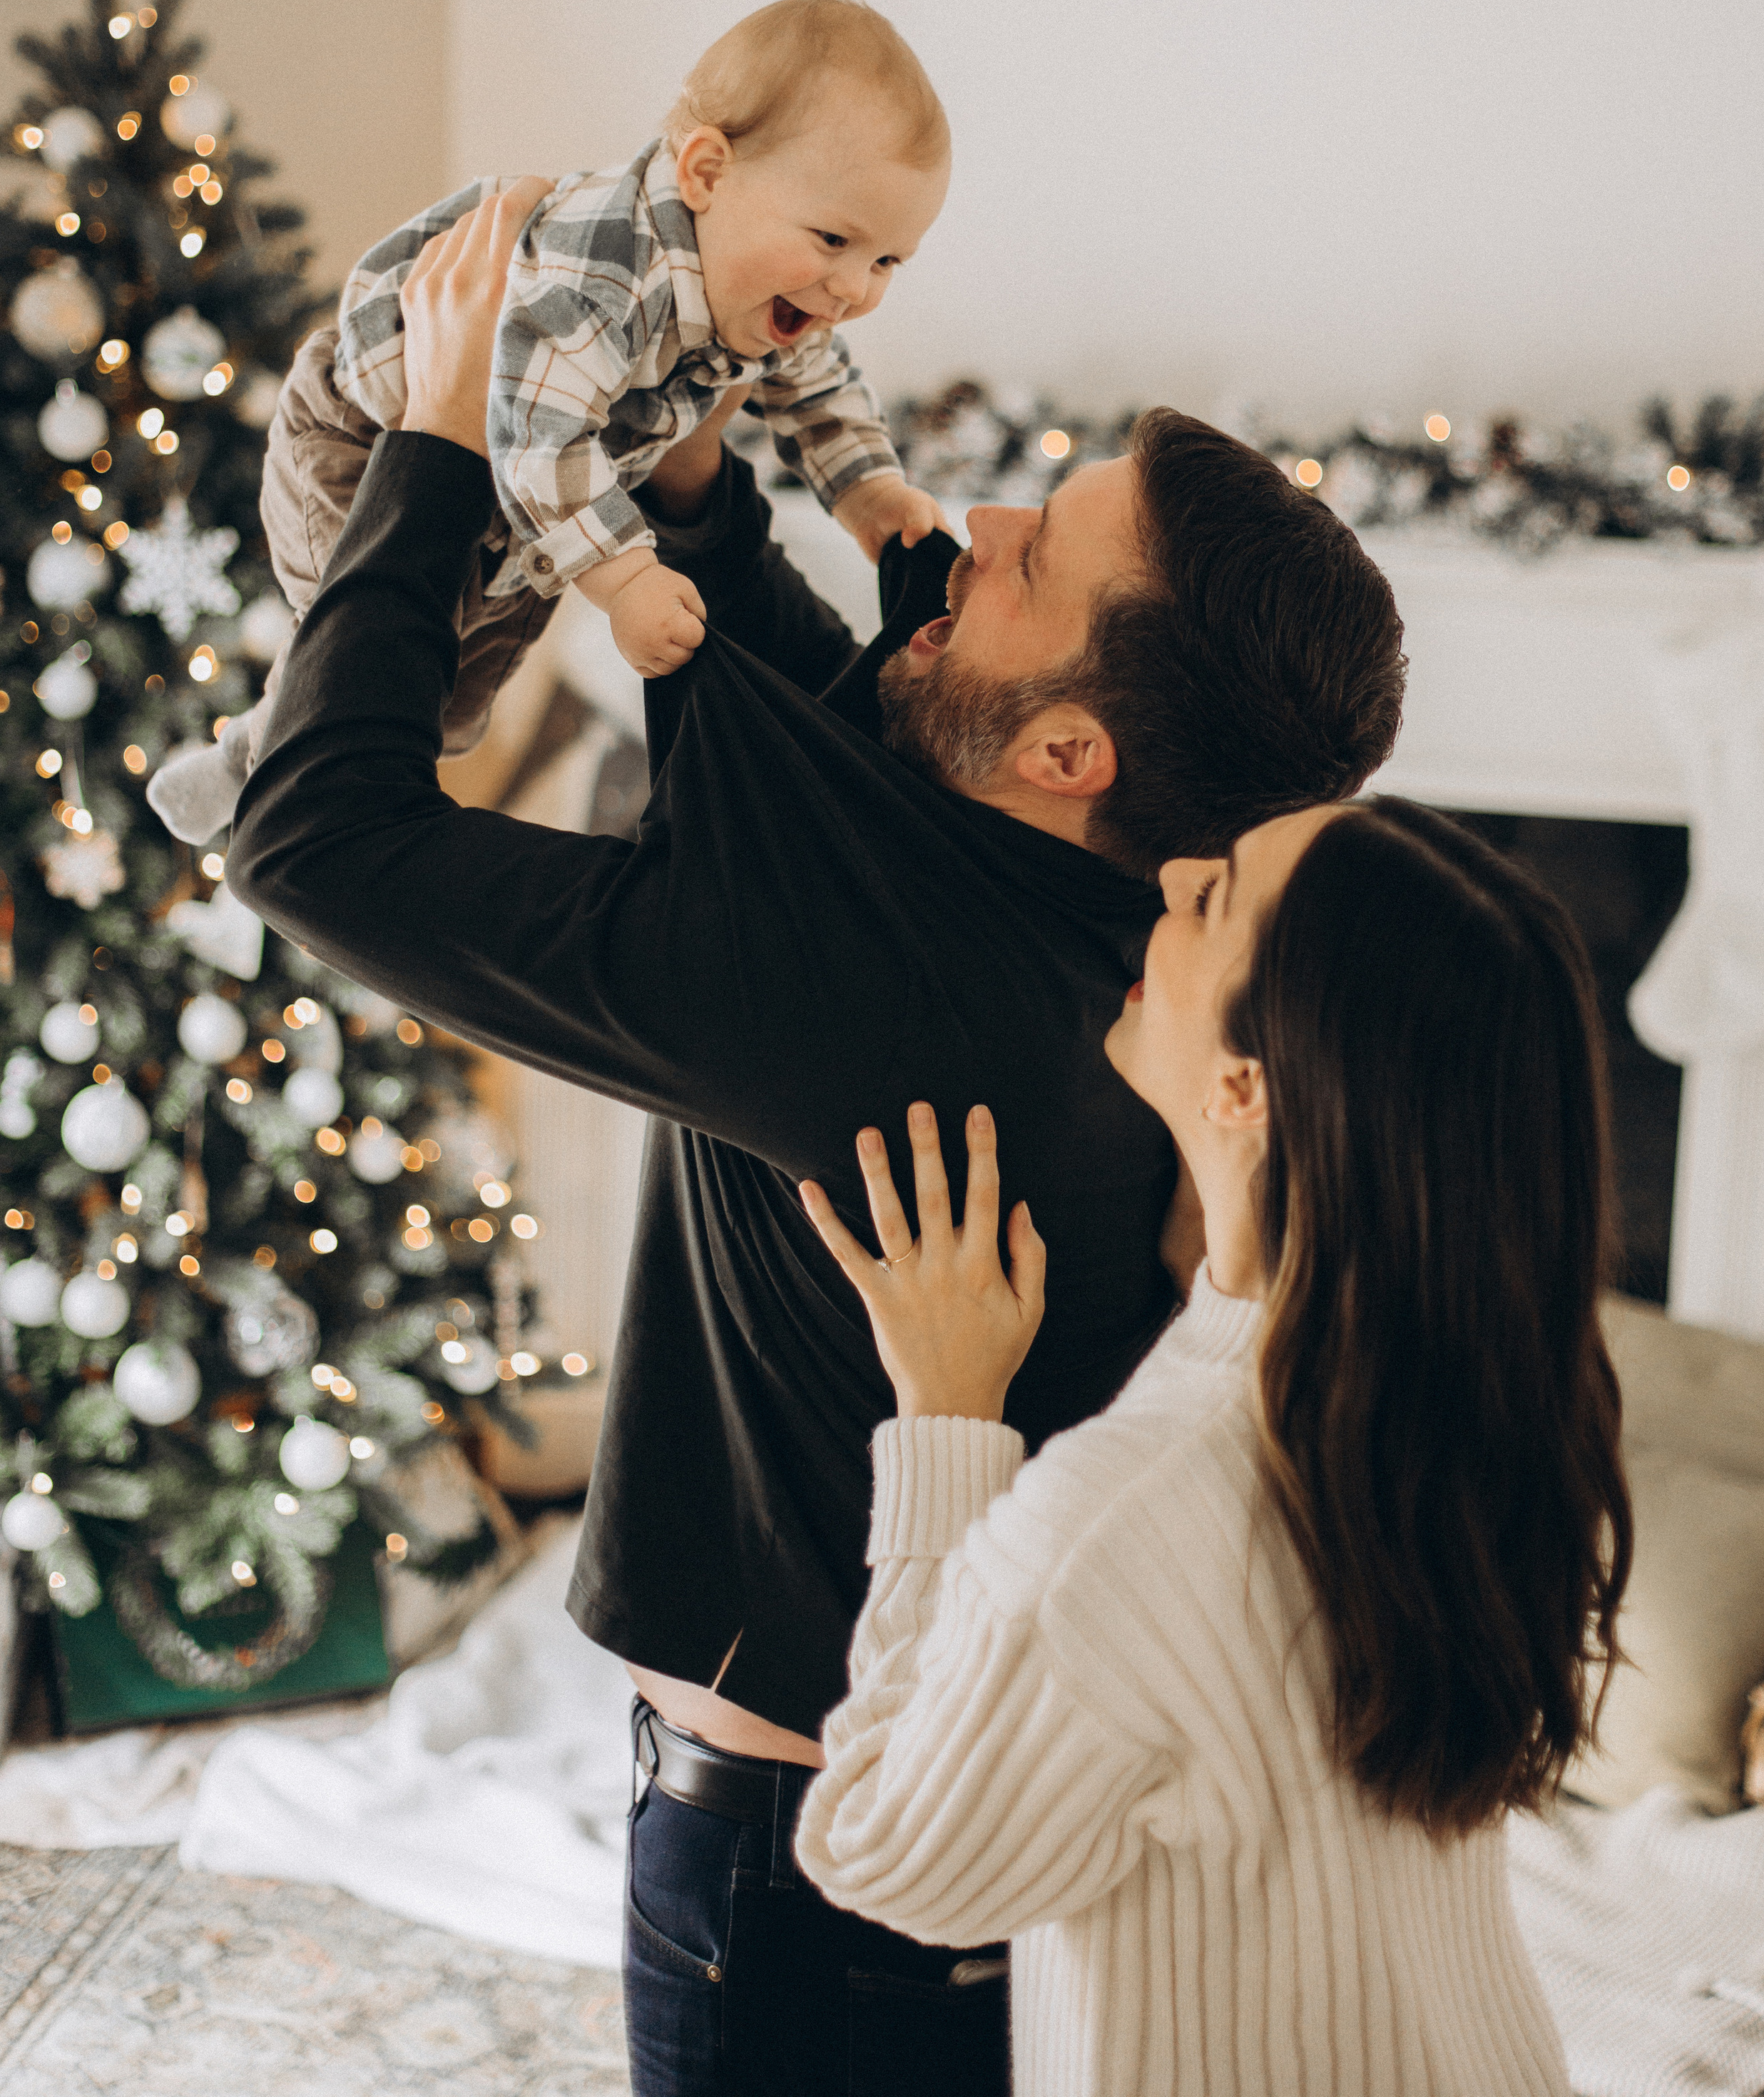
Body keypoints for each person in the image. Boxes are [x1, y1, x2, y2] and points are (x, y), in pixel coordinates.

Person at [226, 185, 1408, 2096]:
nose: (980, 525)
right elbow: (813, 720)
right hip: (928, 1837)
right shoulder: (1071, 900)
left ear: (1072, 754)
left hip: (803, 1886)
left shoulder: (877, 1005)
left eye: (1032, 563)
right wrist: (694, 468)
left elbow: (310, 840)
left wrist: (447, 442)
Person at [795, 802, 1634, 2096]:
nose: (1175, 866)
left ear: (1246, 1087)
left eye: (1214, 897)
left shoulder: (1122, 1517)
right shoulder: (1486, 1410)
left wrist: (949, 1429)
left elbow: (891, 1857)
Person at [153, 0, 949, 844]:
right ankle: (247, 760)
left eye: (887, 260)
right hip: (370, 446)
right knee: (366, 672)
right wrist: (628, 581)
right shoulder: (606, 276)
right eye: (834, 240)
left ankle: (259, 753)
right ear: (707, 173)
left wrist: (868, 489)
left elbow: (818, 387)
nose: (855, 288)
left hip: (519, 503)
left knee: (449, 719)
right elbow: (543, 429)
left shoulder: (770, 289)